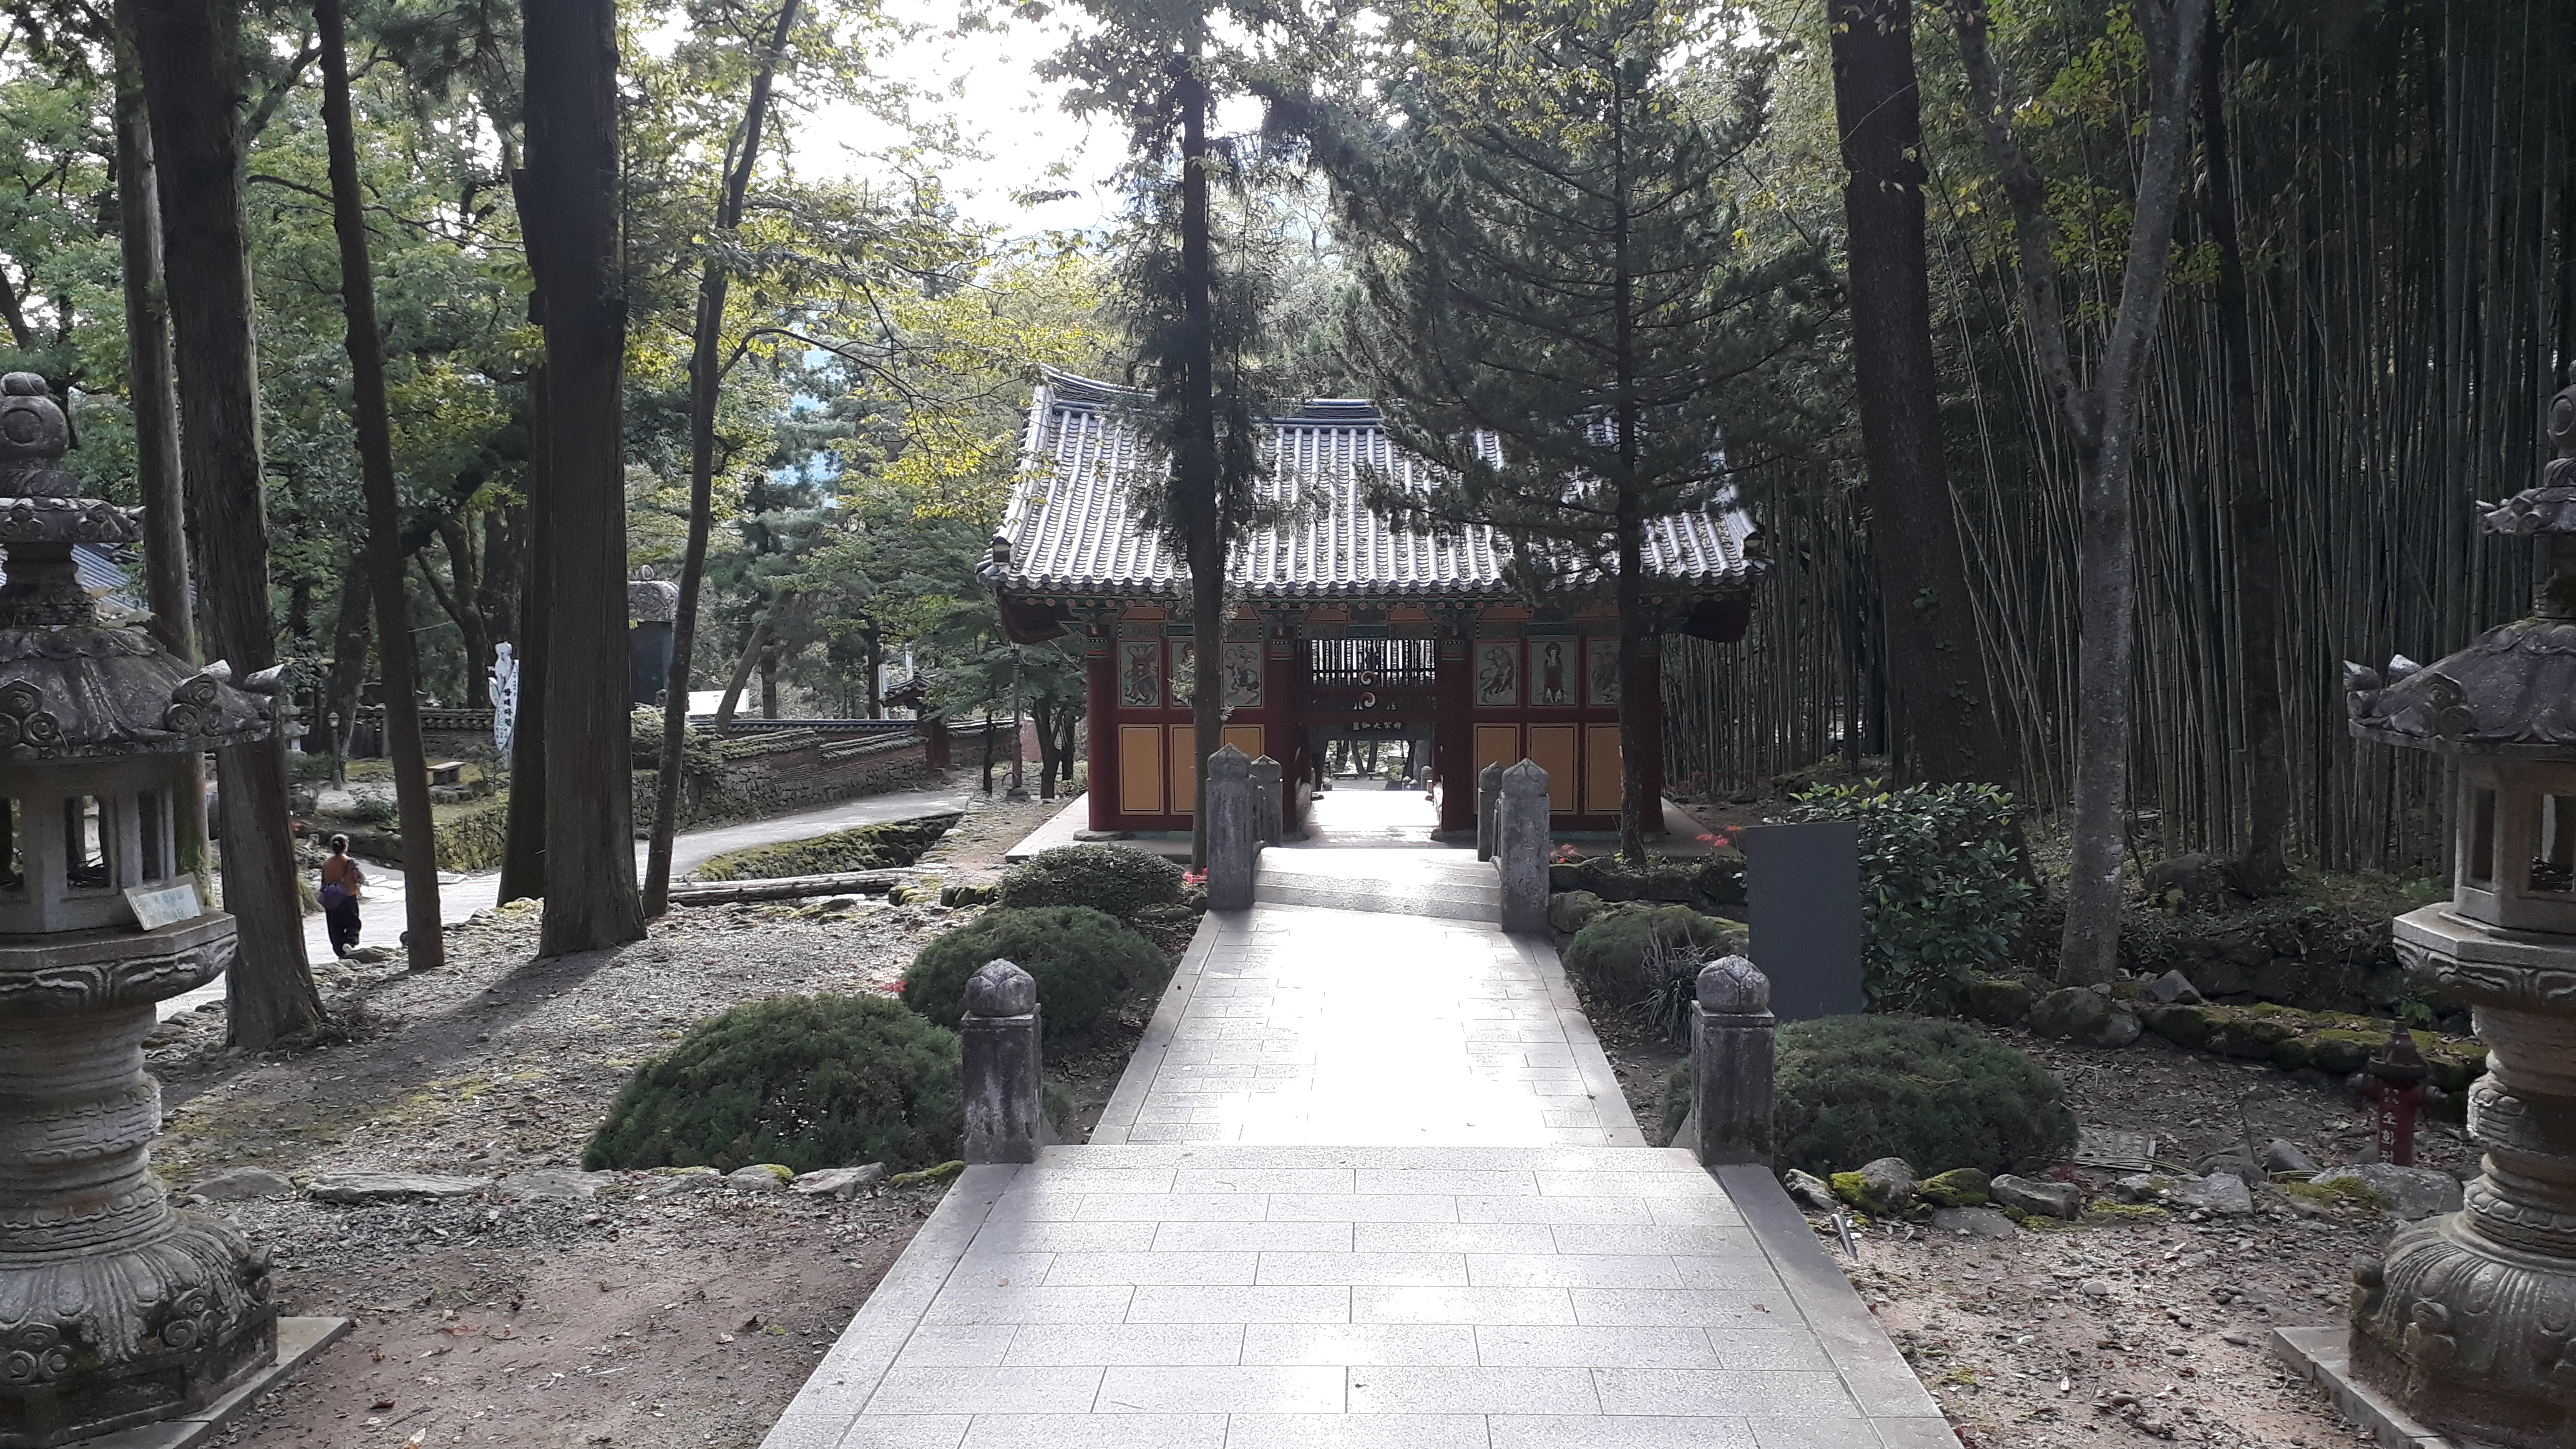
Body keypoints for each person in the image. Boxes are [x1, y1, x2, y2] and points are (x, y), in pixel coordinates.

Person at [319, 834, 364, 958]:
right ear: (346, 847)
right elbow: (360, 879)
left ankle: (340, 952)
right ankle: (350, 942)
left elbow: (323, 882)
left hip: (331, 900)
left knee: (334, 928)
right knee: (353, 923)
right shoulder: (350, 862)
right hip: (348, 897)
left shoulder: (327, 863)